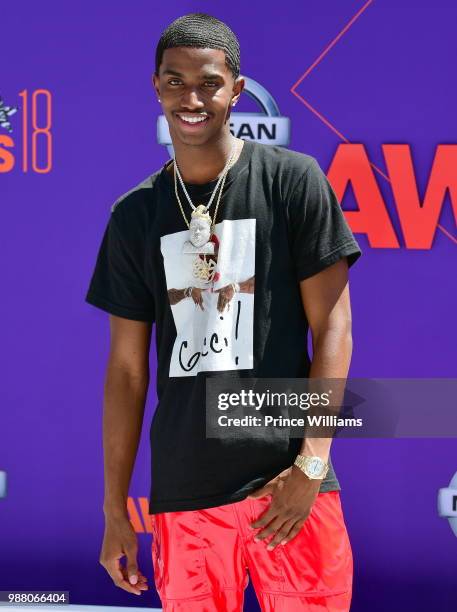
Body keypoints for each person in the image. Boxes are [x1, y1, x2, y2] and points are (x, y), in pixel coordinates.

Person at [85, 12, 362, 612]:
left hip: (288, 485)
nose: (191, 98)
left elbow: (333, 326)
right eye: (174, 82)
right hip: (186, 493)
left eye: (208, 82)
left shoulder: (293, 181)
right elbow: (127, 374)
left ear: (236, 90)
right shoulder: (133, 216)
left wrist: (311, 464)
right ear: (155, 88)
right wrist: (114, 510)